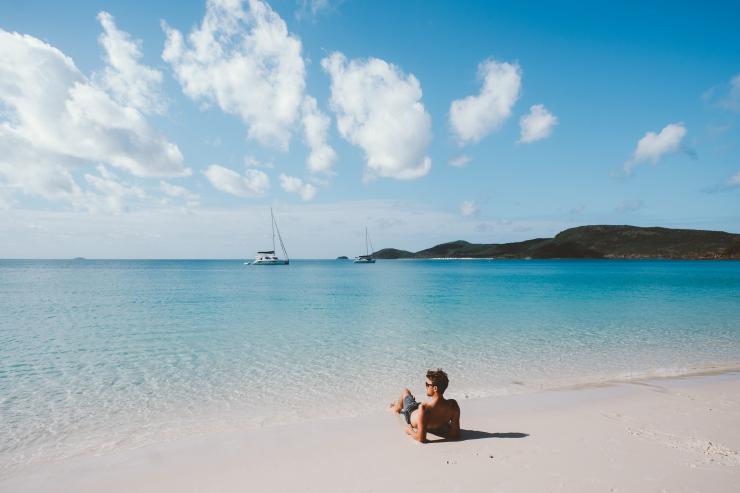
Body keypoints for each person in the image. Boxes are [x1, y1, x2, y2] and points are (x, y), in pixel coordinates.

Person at [390, 369, 461, 443]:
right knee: (418, 403)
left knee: (406, 391)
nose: (426, 387)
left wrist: (410, 431)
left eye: (427, 385)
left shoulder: (424, 408)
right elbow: (455, 435)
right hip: (424, 411)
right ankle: (407, 404)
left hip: (411, 411)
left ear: (435, 388)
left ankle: (396, 408)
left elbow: (421, 438)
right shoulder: (453, 405)